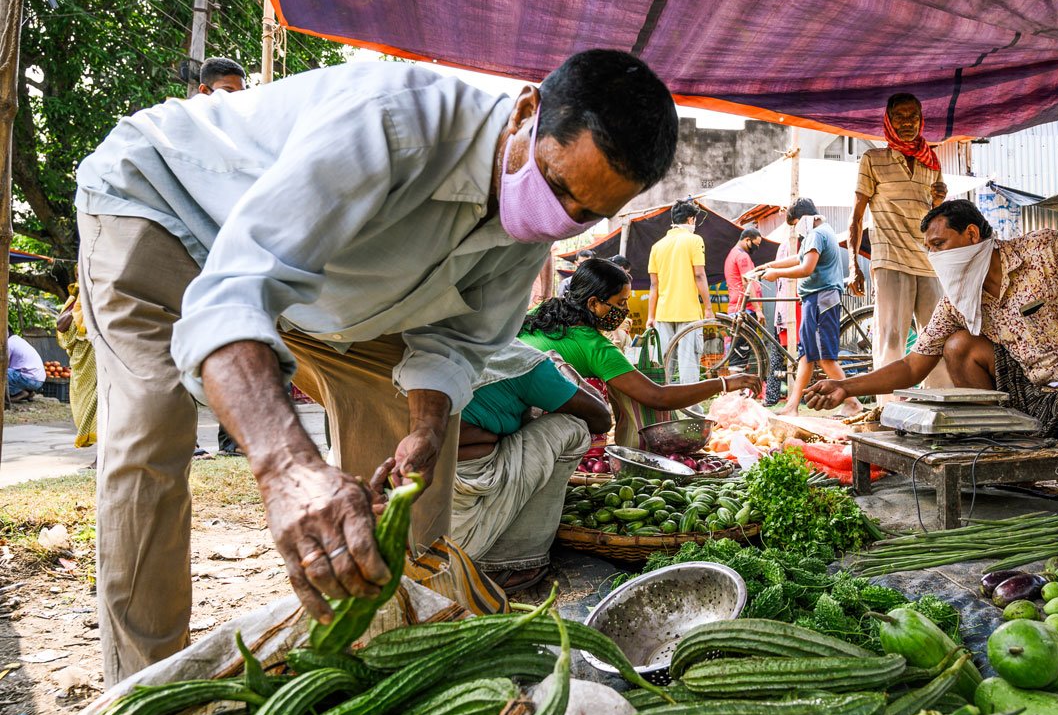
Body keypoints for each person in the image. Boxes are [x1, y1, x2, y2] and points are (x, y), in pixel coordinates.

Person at [75, 49, 678, 683]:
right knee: (150, 437)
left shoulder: (529, 230)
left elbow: (454, 344)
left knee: (421, 448)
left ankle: (391, 646)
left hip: (326, 288)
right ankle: (144, 699)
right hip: (164, 207)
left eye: (586, 213)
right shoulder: (391, 121)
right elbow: (237, 293)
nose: (560, 217)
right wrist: (289, 470)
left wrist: (423, 427)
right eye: (556, 186)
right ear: (526, 113)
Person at [806, 200, 1058, 447]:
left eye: (939, 244)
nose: (935, 256)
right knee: (958, 345)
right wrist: (846, 387)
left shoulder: (1048, 251)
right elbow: (913, 365)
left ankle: (1049, 449)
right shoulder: (959, 298)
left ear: (971, 234)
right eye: (930, 249)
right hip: (1032, 390)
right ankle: (1008, 440)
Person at [520, 259, 758, 444]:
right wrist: (725, 383)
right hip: (522, 417)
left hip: (497, 395)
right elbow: (658, 397)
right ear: (593, 303)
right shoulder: (595, 347)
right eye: (621, 303)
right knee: (598, 418)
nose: (625, 310)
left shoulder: (543, 309)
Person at [451, 341, 611, 593]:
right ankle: (510, 561)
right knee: (572, 427)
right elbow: (601, 419)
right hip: (463, 534)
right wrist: (563, 370)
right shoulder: (519, 359)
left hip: (410, 514)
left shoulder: (419, 345)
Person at [849, 93, 949, 377]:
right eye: (899, 117)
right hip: (890, 260)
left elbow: (935, 220)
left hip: (927, 262)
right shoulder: (873, 159)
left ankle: (938, 408)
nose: (907, 123)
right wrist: (853, 265)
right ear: (889, 121)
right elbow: (856, 216)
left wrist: (940, 203)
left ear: (921, 120)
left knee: (935, 339)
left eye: (913, 117)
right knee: (891, 337)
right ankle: (888, 407)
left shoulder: (932, 161)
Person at [193, 57, 249, 457]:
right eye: (228, 93)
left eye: (240, 96)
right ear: (204, 92)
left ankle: (232, 442)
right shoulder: (179, 129)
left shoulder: (237, 141)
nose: (235, 104)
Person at [757, 199, 856, 417]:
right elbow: (800, 258)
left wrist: (777, 274)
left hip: (822, 299)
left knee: (824, 358)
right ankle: (792, 406)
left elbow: (806, 268)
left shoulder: (816, 234)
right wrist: (770, 265)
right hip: (814, 299)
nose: (795, 229)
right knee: (806, 356)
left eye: (794, 224)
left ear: (802, 218)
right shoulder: (820, 232)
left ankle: (853, 403)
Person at [646, 200, 712, 384]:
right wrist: (708, 307)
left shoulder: (657, 246)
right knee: (688, 362)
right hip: (688, 311)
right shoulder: (694, 240)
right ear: (691, 220)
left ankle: (666, 408)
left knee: (664, 363)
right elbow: (699, 275)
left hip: (663, 312)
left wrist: (651, 316)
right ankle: (691, 408)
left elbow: (654, 285)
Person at [56, 283, 98, 447]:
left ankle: (100, 459)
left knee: (100, 407)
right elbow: (61, 325)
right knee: (85, 407)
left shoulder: (102, 296)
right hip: (83, 362)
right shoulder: (77, 301)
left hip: (100, 359)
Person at [724, 227, 764, 370]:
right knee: (740, 355)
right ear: (747, 240)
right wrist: (758, 309)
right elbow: (748, 282)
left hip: (735, 308)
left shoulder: (731, 254)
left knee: (738, 353)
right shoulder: (742, 257)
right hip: (745, 309)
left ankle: (738, 390)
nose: (757, 248)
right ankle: (736, 390)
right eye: (755, 244)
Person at [6, 333, 45, 401]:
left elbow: (3, 366)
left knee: (2, 373)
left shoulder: (9, 344)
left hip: (29, 379)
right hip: (39, 381)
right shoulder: (17, 340)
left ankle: (19, 393)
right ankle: (29, 392)